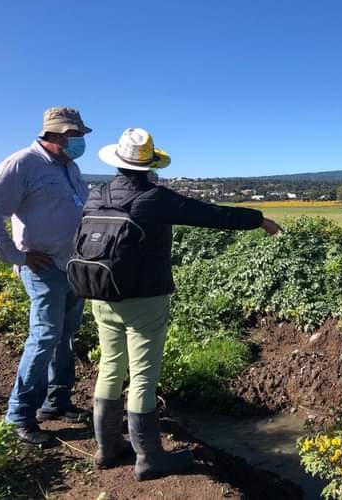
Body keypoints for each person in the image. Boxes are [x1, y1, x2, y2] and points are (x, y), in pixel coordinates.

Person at [86, 128, 281, 481]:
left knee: (111, 366)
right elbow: (211, 214)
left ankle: (107, 447)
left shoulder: (97, 194)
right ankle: (149, 458)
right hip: (144, 298)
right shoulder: (154, 197)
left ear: (117, 162)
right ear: (148, 166)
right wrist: (258, 219)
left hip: (100, 293)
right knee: (143, 376)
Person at [0, 107, 92, 444]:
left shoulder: (69, 167)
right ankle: (20, 416)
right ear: (58, 134)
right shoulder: (22, 163)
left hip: (72, 267)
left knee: (65, 336)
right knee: (44, 337)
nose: (80, 142)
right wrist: (18, 256)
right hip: (43, 269)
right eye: (76, 136)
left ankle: (56, 402)